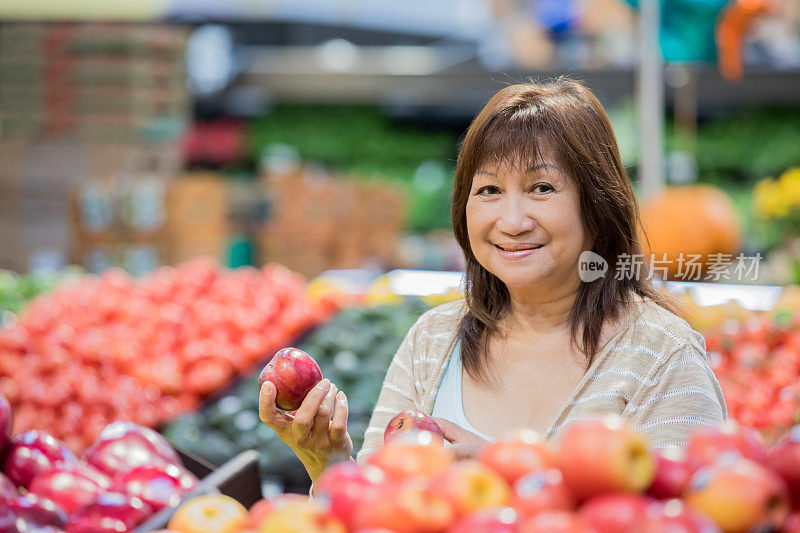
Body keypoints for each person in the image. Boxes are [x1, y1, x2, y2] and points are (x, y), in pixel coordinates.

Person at [258, 77, 727, 485]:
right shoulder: (432, 342)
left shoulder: (663, 357)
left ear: (598, 207)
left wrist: (512, 471)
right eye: (489, 191)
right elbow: (379, 509)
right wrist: (330, 462)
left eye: (542, 188)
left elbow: (679, 516)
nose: (513, 220)